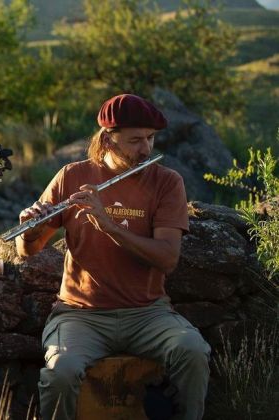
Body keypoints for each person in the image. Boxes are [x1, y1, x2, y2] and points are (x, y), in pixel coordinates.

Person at [16, 94, 210, 420]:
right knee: (61, 372)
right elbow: (28, 251)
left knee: (192, 352)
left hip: (148, 313)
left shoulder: (166, 182)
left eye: (150, 138)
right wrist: (29, 229)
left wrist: (109, 226)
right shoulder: (72, 176)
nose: (146, 149)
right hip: (80, 315)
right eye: (135, 140)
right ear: (108, 139)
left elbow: (167, 258)